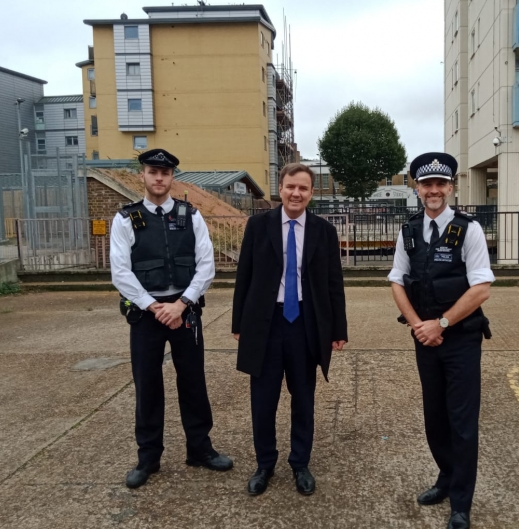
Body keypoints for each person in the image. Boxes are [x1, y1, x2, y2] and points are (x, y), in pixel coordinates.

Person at [110, 148, 232, 489]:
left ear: (172, 177)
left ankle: (200, 449)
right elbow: (120, 272)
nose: (159, 178)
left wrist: (180, 305)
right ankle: (148, 457)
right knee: (147, 385)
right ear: (143, 175)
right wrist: (155, 307)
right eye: (153, 171)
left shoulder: (190, 216)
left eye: (165, 173)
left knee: (193, 382)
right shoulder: (126, 219)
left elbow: (206, 266)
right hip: (146, 314)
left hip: (185, 309)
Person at [388, 153, 494, 529]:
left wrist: (442, 323)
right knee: (435, 418)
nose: (433, 190)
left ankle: (461, 503)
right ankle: (446, 478)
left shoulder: (469, 229)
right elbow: (396, 280)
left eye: (440, 184)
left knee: (462, 422)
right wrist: (420, 325)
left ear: (450, 187)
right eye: (426, 184)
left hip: (461, 340)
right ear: (417, 188)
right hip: (425, 339)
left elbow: (481, 288)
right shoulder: (409, 231)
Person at [232, 162, 348, 497]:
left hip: (305, 325)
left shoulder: (324, 231)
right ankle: (264, 464)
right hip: (265, 324)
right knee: (263, 400)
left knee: (304, 398)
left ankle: (300, 463)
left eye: (303, 188)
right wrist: (239, 323)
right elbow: (245, 276)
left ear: (311, 193)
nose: (296, 193)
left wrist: (338, 329)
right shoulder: (258, 225)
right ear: (280, 189)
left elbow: (334, 283)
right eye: (290, 187)